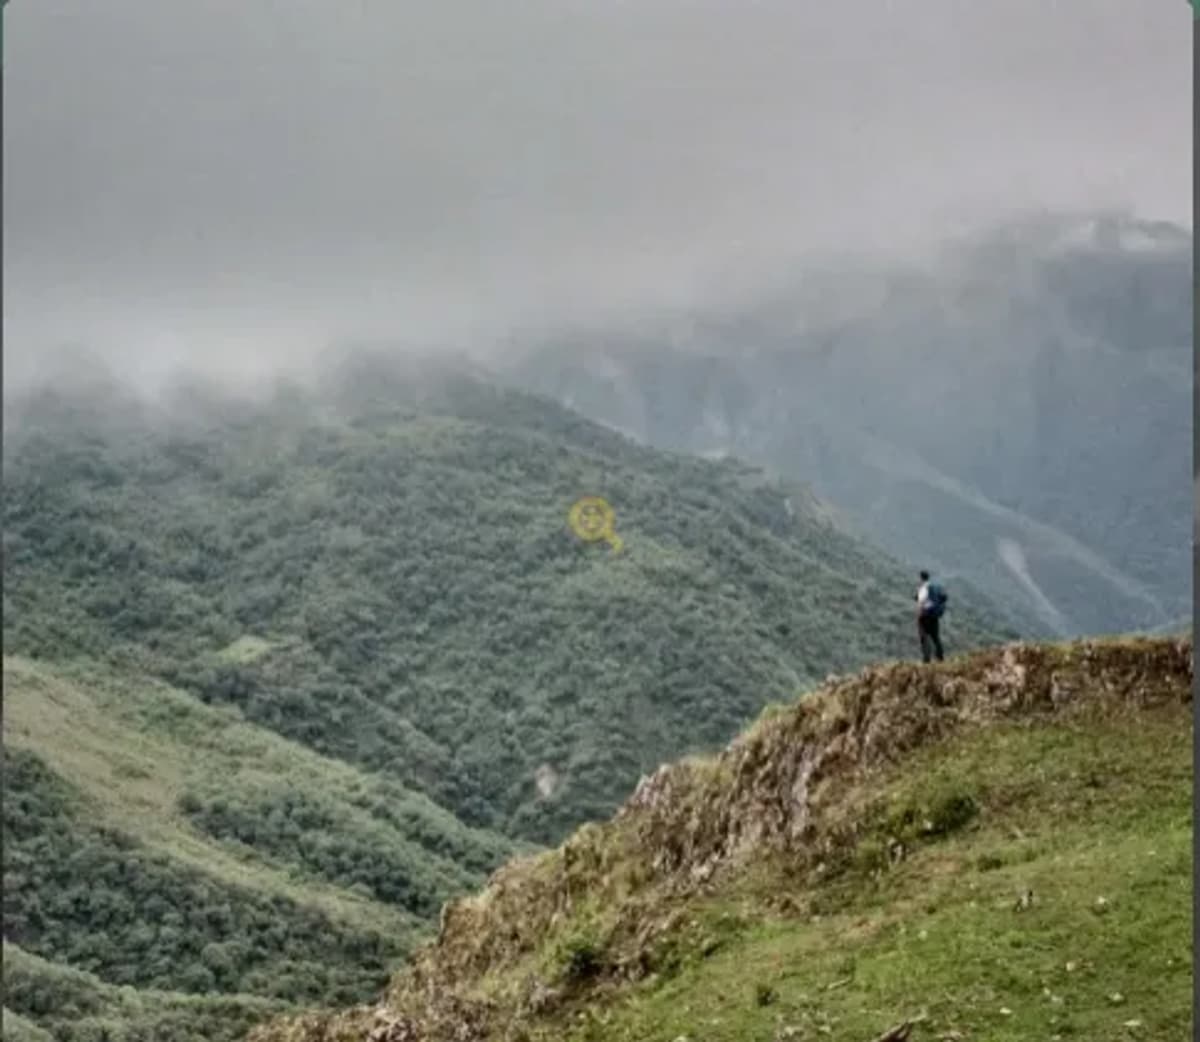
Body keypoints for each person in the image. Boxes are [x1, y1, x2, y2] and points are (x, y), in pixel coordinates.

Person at [915, 569, 946, 663]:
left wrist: (920, 613)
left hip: (925, 616)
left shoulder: (923, 588)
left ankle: (926, 658)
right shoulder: (935, 587)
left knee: (924, 637)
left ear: (921, 578)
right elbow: (943, 598)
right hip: (934, 616)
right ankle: (940, 657)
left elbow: (921, 601)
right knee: (935, 636)